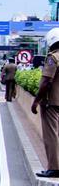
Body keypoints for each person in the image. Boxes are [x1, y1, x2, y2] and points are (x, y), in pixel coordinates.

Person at [31, 28, 59, 178]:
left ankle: (54, 168)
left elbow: (46, 82)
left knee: (51, 135)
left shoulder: (53, 58)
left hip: (52, 102)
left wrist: (36, 101)